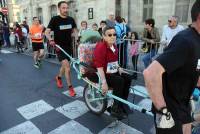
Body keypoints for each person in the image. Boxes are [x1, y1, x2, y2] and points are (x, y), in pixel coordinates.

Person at [143, 1, 200, 133]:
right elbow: (150, 73)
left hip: (183, 103)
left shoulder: (196, 40)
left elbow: (192, 70)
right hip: (170, 109)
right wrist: (163, 110)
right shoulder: (185, 41)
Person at [91, 26, 132, 119]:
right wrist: (104, 83)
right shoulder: (101, 47)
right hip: (98, 73)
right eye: (109, 35)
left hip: (110, 70)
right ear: (104, 36)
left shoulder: (114, 46)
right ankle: (115, 108)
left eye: (114, 34)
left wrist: (119, 68)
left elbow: (114, 61)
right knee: (119, 81)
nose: (113, 36)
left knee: (128, 78)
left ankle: (122, 103)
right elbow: (99, 67)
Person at [45, 1, 77, 97]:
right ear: (59, 9)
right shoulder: (55, 19)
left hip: (69, 46)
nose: (66, 10)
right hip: (59, 47)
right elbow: (46, 32)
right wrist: (50, 39)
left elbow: (75, 30)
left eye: (67, 8)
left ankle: (58, 77)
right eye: (63, 8)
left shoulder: (71, 19)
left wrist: (77, 37)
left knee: (64, 66)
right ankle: (71, 88)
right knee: (67, 67)